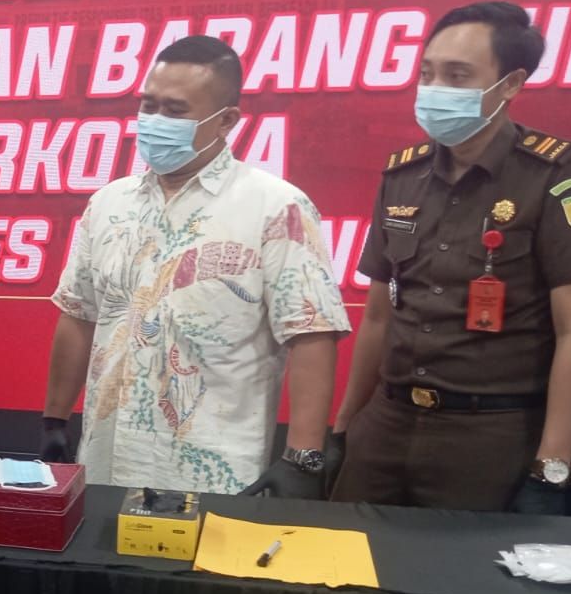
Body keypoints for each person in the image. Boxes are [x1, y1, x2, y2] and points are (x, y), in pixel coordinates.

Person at [42, 35, 349, 495]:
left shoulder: (275, 207)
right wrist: (54, 419)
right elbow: (79, 314)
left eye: (175, 110)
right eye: (148, 105)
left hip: (213, 475)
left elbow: (312, 334)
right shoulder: (108, 204)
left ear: (225, 121)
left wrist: (302, 460)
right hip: (105, 464)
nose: (154, 121)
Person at [330, 1, 571, 513]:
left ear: (510, 84)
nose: (435, 88)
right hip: (386, 424)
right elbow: (377, 317)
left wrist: (553, 467)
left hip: (492, 436)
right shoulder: (403, 175)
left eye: (457, 76)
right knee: (346, 558)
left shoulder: (553, 177)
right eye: (427, 73)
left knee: (464, 565)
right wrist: (345, 427)